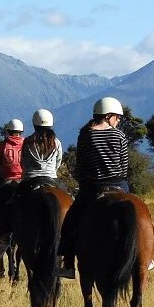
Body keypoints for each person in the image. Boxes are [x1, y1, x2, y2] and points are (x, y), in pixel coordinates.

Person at [57, 97, 129, 279]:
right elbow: (124, 165)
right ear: (108, 115)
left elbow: (80, 164)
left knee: (71, 220)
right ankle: (147, 258)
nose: (118, 121)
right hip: (119, 183)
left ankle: (66, 260)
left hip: (93, 187)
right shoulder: (119, 135)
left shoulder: (86, 134)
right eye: (117, 117)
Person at [20, 108, 65, 190]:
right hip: (51, 177)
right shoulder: (56, 142)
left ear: (34, 124)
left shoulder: (27, 141)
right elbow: (58, 161)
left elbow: (23, 162)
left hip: (30, 177)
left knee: (14, 199)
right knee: (69, 197)